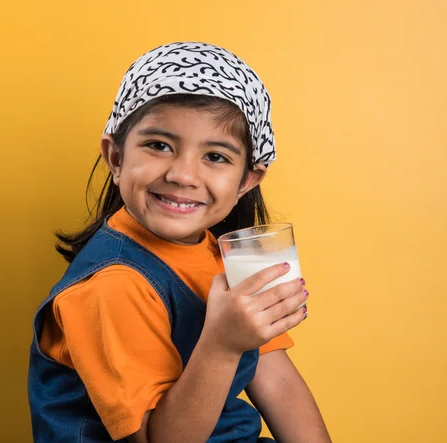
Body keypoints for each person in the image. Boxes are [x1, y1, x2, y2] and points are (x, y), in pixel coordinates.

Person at [28, 41, 331, 443]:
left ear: (246, 181)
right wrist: (223, 344)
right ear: (115, 158)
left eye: (216, 156)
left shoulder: (218, 252)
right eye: (159, 146)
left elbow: (276, 379)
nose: (183, 174)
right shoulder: (111, 285)